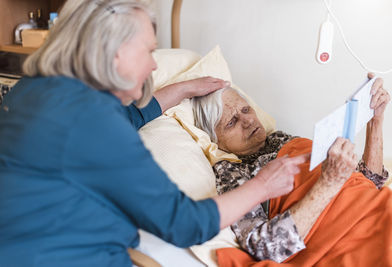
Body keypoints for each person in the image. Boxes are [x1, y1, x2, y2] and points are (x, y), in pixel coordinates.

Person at [0, 1, 308, 266]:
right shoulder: (94, 123)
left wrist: (185, 88)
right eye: (148, 50)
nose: (153, 64)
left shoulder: (33, 88)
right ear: (112, 50)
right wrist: (263, 185)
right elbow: (185, 223)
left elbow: (128, 117)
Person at [191, 77, 392, 263]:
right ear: (215, 140)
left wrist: (375, 121)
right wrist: (329, 182)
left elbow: (370, 183)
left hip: (383, 212)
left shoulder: (281, 138)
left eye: (245, 110)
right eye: (231, 122)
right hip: (352, 242)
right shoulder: (231, 173)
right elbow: (267, 248)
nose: (248, 121)